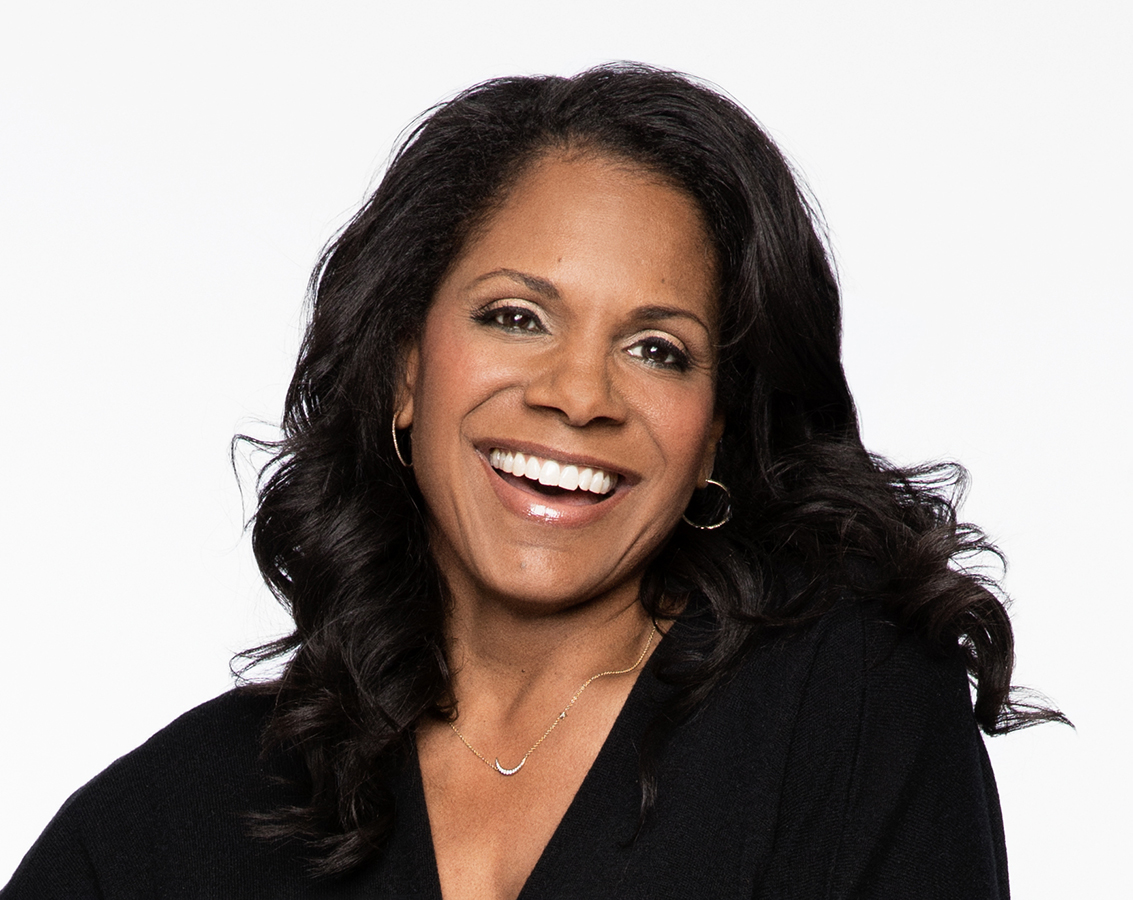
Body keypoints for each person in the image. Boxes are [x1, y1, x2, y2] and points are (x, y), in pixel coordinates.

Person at [2, 64, 1064, 900]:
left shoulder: (844, 711)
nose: (577, 394)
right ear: (405, 370)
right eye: (515, 317)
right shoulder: (189, 814)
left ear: (715, 436)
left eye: (656, 350)